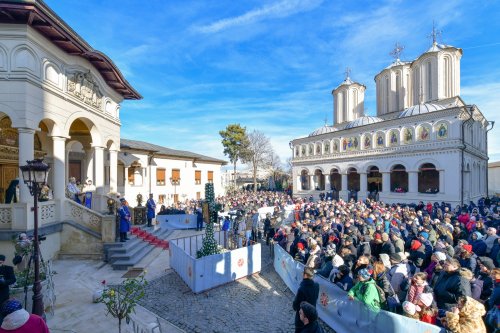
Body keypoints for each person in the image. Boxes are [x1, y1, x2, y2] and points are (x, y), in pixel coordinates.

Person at [292, 268, 319, 333]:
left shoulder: (302, 289)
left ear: (305, 275)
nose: (302, 274)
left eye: (303, 273)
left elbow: (296, 305)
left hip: (302, 317)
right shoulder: (316, 285)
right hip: (312, 314)